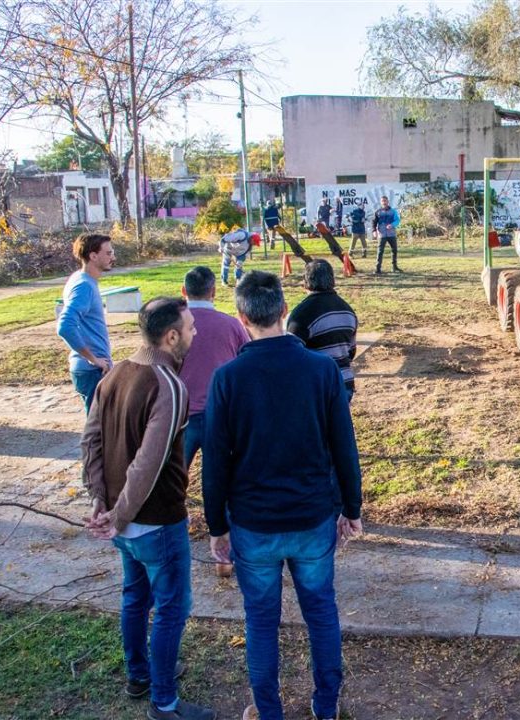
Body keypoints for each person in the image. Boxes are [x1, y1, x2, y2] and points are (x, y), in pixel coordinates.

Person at [202, 271, 362, 720]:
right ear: (285, 311)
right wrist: (352, 508)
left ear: (241, 317)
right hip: (312, 517)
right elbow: (343, 446)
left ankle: (269, 711)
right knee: (321, 612)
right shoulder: (321, 370)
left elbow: (215, 461)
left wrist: (217, 526)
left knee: (261, 621)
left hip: (254, 525)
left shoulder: (227, 378)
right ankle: (326, 707)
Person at [81, 297, 216, 720]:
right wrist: (115, 514)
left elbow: (91, 442)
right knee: (172, 608)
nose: (195, 335)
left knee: (135, 597)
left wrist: (101, 503)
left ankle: (140, 674)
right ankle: (164, 702)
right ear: (171, 335)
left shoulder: (114, 373)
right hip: (156, 522)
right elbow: (150, 463)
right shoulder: (169, 384)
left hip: (123, 523)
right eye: (191, 329)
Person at [178, 266, 250, 468]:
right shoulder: (232, 325)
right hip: (220, 413)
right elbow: (245, 361)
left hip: (182, 414)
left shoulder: (173, 327)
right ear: (214, 291)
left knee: (175, 476)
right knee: (221, 475)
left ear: (184, 290)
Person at [57, 233, 116, 413]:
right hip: (91, 370)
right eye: (108, 253)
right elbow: (65, 325)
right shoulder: (83, 285)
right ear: (93, 256)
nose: (113, 257)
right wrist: (93, 359)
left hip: (92, 369)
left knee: (101, 429)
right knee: (97, 432)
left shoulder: (81, 279)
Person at [286, 260, 358, 402]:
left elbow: (291, 355)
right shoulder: (348, 311)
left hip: (316, 386)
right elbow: (351, 352)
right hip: (344, 383)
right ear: (333, 281)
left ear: (305, 283)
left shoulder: (301, 314)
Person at [371, 195, 402, 274]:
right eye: (382, 201)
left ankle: (394, 267)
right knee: (380, 251)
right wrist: (374, 231)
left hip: (391, 234)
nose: (384, 202)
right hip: (382, 234)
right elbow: (374, 222)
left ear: (388, 202)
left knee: (394, 250)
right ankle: (378, 269)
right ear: (381, 202)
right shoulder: (378, 212)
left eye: (385, 201)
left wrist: (392, 225)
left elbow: (397, 220)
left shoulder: (393, 211)